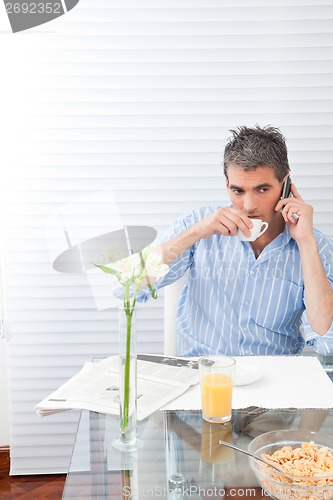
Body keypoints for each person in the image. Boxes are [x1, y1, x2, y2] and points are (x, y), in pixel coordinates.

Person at [142, 125, 333, 356]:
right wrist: (196, 233)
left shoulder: (315, 246)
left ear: (285, 185)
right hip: (203, 375)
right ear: (227, 185)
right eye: (238, 191)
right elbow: (127, 286)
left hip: (273, 379)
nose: (249, 205)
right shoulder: (198, 225)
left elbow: (327, 341)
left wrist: (305, 242)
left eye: (262, 189)